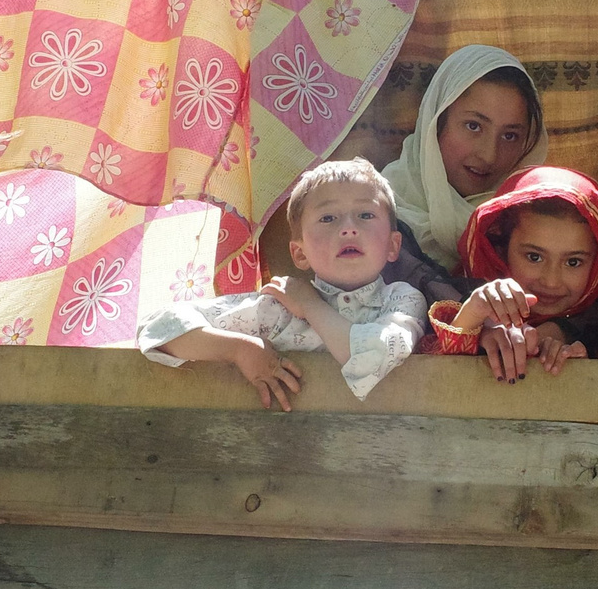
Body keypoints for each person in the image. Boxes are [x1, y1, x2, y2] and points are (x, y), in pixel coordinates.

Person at [136, 158, 428, 408]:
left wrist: (310, 305)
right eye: (328, 218)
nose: (349, 228)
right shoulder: (276, 309)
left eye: (365, 214)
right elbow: (157, 328)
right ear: (299, 253)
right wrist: (241, 349)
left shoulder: (402, 301)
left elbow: (371, 357)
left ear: (393, 246)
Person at [377, 45, 547, 304]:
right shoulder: (375, 212)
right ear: (436, 121)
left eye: (510, 136)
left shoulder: (531, 220)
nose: (489, 155)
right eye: (473, 126)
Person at [429, 166, 598, 382]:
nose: (551, 281)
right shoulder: (462, 297)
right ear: (501, 250)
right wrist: (473, 319)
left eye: (573, 262)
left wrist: (566, 343)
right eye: (534, 257)